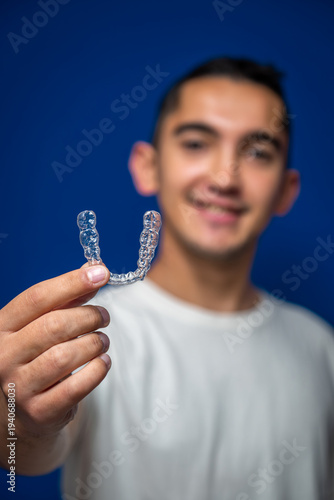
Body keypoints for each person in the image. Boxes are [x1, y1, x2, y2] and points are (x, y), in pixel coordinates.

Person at [0, 57, 333, 500]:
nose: (223, 178)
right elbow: (31, 449)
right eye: (197, 143)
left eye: (257, 152)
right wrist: (16, 417)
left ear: (286, 190)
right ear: (147, 166)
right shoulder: (90, 333)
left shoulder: (321, 349)